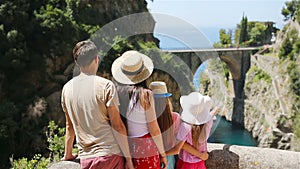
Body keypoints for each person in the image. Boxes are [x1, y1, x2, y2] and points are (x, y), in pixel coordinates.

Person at [61, 40, 134, 169]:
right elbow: (118, 126)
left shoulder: (67, 89)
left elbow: (69, 126)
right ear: (96, 59)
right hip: (110, 155)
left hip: (86, 159)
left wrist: (68, 154)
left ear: (77, 63)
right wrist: (128, 159)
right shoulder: (106, 86)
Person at [111, 50, 168, 169]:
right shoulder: (145, 95)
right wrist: (162, 154)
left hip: (124, 148)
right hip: (145, 148)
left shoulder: (116, 93)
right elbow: (154, 129)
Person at [149, 81, 210, 169]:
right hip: (168, 159)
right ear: (167, 100)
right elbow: (177, 149)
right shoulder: (175, 118)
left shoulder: (146, 118)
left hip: (149, 157)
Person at [166, 92, 220, 169]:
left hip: (186, 164)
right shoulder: (207, 123)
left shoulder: (185, 127)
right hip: (200, 163)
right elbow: (210, 116)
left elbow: (182, 145)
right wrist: (216, 110)